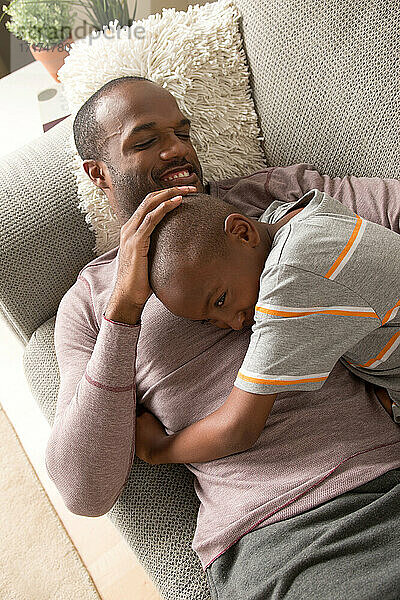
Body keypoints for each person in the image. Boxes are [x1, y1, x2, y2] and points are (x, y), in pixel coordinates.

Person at [45, 75, 400, 599]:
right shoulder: (92, 303)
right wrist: (123, 316)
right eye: (145, 141)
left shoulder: (275, 200)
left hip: (386, 471)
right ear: (99, 173)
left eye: (183, 132)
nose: (177, 151)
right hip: (281, 535)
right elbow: (84, 490)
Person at [133, 190, 400, 465]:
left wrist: (158, 449)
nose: (234, 324)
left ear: (243, 233)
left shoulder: (291, 277)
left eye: (221, 300)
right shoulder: (294, 216)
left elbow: (238, 429)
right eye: (209, 320)